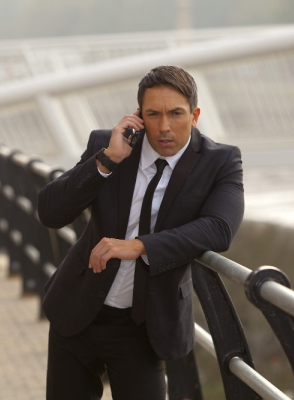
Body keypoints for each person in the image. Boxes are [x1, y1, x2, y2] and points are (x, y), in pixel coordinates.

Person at [38, 65, 244, 400]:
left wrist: (139, 246)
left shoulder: (220, 161)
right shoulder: (107, 144)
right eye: (153, 114)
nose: (164, 127)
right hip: (77, 310)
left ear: (195, 115)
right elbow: (50, 212)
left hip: (144, 326)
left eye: (176, 114)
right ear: (139, 116)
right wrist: (108, 160)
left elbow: (220, 228)